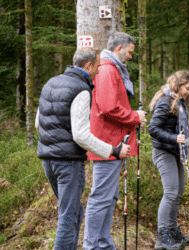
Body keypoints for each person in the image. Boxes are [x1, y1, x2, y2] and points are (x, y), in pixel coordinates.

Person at [36, 47, 131, 250]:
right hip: (68, 163)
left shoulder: (51, 83)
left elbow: (38, 123)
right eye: (97, 66)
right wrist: (112, 151)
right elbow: (81, 136)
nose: (99, 71)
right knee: (68, 218)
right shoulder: (80, 89)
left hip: (47, 161)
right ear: (88, 65)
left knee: (74, 212)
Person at [83, 32, 146, 250]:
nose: (130, 57)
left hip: (114, 143)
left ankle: (103, 243)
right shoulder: (108, 70)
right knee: (101, 197)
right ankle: (92, 245)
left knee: (109, 197)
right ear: (119, 49)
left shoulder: (112, 69)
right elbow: (108, 107)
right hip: (106, 143)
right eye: (129, 52)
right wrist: (135, 117)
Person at [148, 71, 189, 250]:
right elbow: (153, 128)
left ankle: (172, 229)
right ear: (178, 86)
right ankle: (163, 235)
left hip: (176, 151)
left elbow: (172, 124)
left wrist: (185, 129)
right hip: (163, 152)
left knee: (178, 191)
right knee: (170, 192)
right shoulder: (165, 102)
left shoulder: (178, 101)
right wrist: (175, 137)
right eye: (187, 88)